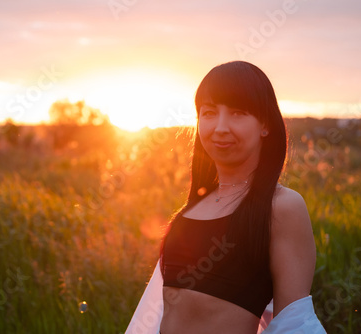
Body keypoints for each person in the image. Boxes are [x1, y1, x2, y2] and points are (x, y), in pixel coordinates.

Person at [125, 61, 326, 334]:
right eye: (208, 113)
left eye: (238, 113)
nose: (220, 127)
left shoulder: (280, 207)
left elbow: (294, 322)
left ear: (265, 124)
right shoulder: (191, 210)